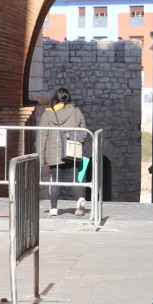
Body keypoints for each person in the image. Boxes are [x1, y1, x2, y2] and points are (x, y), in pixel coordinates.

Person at [37, 87, 88, 216]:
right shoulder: (76, 112)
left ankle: (53, 208)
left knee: (55, 179)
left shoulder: (48, 114)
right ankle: (80, 200)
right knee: (74, 179)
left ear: (55, 99)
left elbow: (42, 136)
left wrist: (41, 159)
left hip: (54, 153)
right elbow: (84, 130)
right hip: (72, 150)